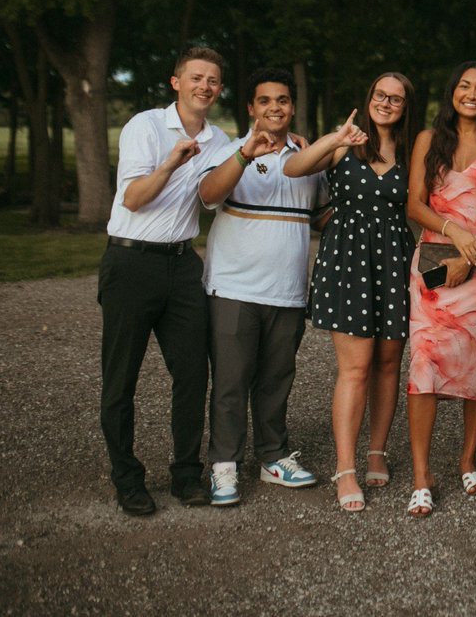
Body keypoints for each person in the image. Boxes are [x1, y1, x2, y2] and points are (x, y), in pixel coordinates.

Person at [99, 46, 232, 515]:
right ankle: (127, 478)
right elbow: (133, 199)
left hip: (182, 264)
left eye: (212, 80)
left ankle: (186, 474)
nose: (204, 86)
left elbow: (223, 187)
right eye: (196, 77)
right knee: (121, 378)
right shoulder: (146, 126)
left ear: (219, 89)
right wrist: (172, 162)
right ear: (176, 82)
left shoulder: (219, 139)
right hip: (131, 262)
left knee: (194, 373)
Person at [283, 72, 417, 513]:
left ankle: (377, 450)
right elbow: (293, 168)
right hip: (348, 261)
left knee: (389, 363)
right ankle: (345, 468)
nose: (386, 103)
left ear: (406, 106)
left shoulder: (411, 151)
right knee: (356, 368)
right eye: (380, 94)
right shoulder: (346, 142)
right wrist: (333, 138)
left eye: (396, 98)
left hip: (394, 260)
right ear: (369, 97)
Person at [198, 68, 329, 505]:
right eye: (265, 100)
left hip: (288, 290)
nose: (275, 107)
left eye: (283, 100)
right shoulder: (231, 150)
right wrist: (243, 156)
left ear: (293, 107)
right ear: (251, 108)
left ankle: (273, 457)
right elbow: (208, 195)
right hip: (234, 287)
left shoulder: (307, 157)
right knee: (231, 382)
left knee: (276, 380)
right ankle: (224, 465)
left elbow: (322, 216)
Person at [405, 62, 476, 517]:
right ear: (452, 92)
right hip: (435, 265)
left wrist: (472, 254)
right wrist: (454, 232)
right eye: (465, 86)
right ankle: (421, 475)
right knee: (424, 365)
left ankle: (468, 460)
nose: (472, 94)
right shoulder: (428, 140)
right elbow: (414, 203)